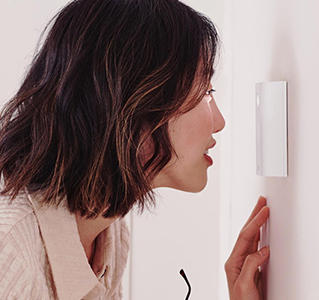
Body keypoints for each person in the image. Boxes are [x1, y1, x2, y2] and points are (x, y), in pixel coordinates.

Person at [0, 0, 269, 299]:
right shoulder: (8, 251)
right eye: (206, 92)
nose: (219, 122)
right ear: (136, 102)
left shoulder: (108, 235)